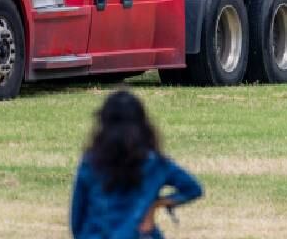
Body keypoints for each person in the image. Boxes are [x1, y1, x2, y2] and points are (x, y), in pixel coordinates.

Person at [70, 91, 203, 239]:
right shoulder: (155, 163)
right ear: (142, 123)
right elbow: (192, 189)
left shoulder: (90, 163)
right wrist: (156, 204)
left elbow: (77, 219)